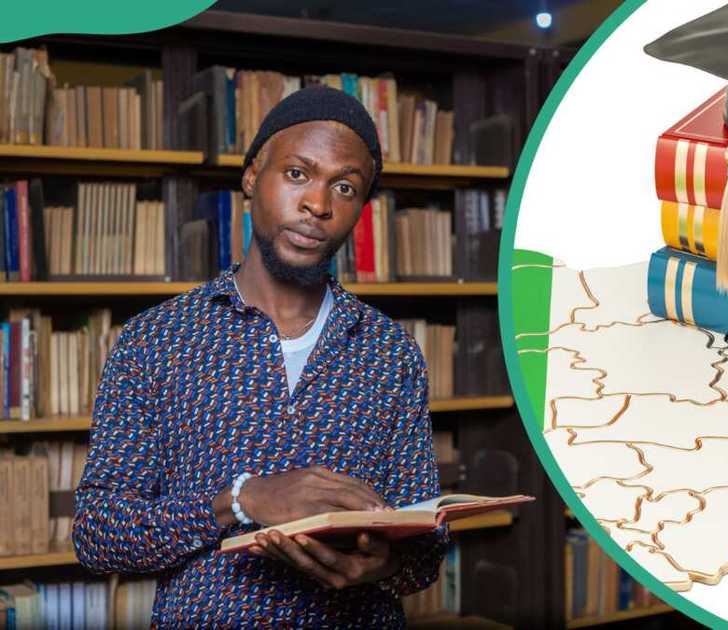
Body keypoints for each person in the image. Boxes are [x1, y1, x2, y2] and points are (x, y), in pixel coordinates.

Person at [72, 86, 447, 628]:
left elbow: (426, 549)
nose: (318, 205)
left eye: (344, 187)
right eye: (297, 173)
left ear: (360, 208)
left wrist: (383, 565)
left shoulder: (391, 352)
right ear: (252, 177)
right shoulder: (154, 341)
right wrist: (239, 502)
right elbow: (99, 536)